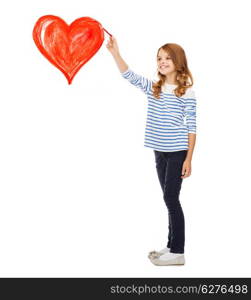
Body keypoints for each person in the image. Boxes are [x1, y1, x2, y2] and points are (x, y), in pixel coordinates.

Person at [106, 36, 197, 266]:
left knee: (171, 198)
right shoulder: (154, 88)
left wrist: (189, 159)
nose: (162, 61)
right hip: (159, 151)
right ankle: (171, 244)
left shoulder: (185, 91)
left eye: (167, 58)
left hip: (177, 152)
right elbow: (129, 76)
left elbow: (192, 126)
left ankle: (178, 252)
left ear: (178, 62)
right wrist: (116, 53)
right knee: (168, 199)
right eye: (159, 58)